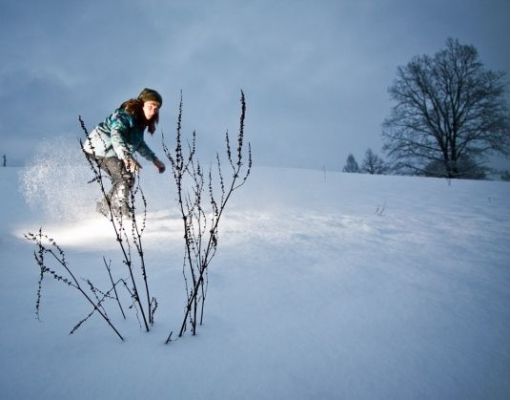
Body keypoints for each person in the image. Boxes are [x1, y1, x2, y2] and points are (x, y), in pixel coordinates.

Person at [83, 88, 166, 217]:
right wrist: (127, 158)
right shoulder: (126, 115)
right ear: (142, 105)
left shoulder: (140, 122)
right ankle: (119, 210)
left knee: (126, 179)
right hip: (99, 148)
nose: (153, 110)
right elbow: (116, 135)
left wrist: (154, 159)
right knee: (125, 178)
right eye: (150, 106)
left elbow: (138, 143)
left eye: (156, 108)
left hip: (111, 151)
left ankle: (105, 206)